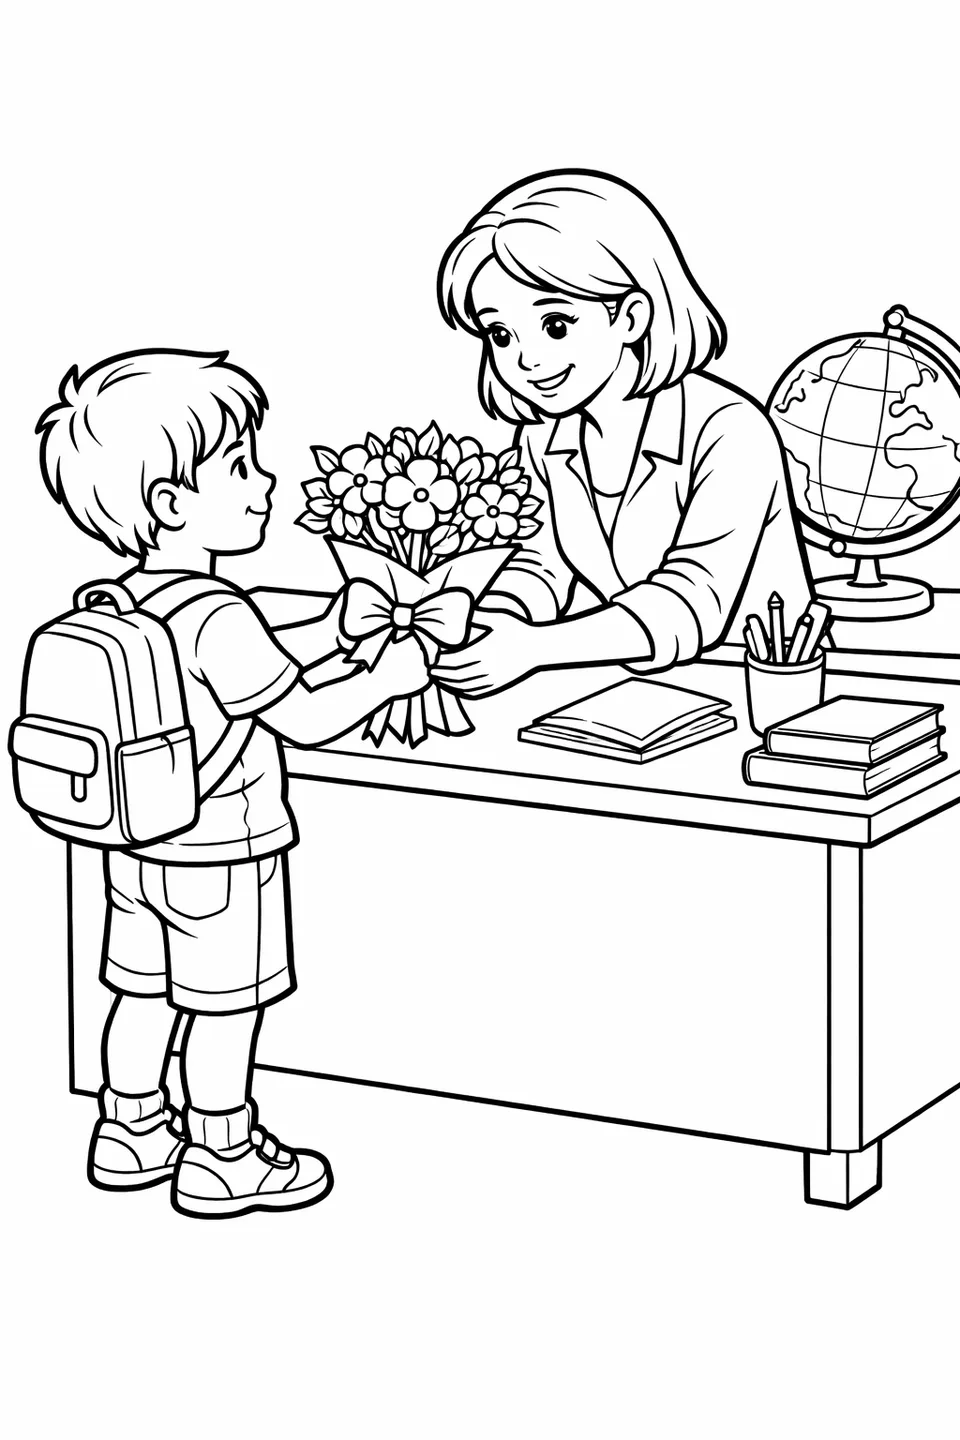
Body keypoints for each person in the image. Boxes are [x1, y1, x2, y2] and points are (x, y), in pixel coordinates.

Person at [36, 349, 428, 1218]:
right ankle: (225, 1152)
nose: (264, 483)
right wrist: (389, 675)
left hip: (133, 843)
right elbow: (306, 716)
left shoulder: (122, 601)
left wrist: (337, 624)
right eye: (240, 467)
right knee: (224, 1011)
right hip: (224, 849)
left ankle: (130, 1131)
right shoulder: (220, 615)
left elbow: (250, 673)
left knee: (138, 993)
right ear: (173, 504)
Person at [432, 170, 812, 698]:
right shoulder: (545, 434)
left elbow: (691, 600)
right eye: (500, 334)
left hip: (754, 691)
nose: (525, 359)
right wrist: (493, 621)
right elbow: (544, 560)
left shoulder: (732, 432)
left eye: (556, 325)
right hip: (627, 691)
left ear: (632, 317)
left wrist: (534, 649)